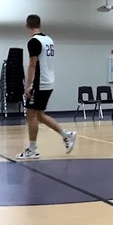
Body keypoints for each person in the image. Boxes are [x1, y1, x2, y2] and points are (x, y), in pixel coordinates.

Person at [17, 14, 76, 160]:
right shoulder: (48, 39)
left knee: (31, 115)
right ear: (39, 24)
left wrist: (28, 85)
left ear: (27, 26)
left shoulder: (34, 42)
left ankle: (32, 149)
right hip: (49, 81)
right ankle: (66, 135)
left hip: (40, 83)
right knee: (39, 115)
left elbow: (32, 64)